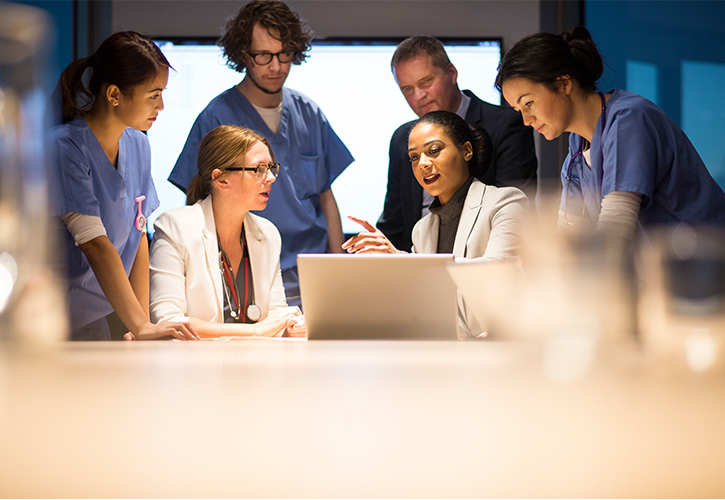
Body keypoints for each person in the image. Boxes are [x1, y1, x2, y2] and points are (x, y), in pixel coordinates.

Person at [167, 0, 353, 306]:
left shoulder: (309, 113)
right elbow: (197, 201)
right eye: (264, 55)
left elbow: (325, 197)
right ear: (243, 54)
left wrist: (338, 270)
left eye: (284, 54)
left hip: (313, 276)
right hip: (250, 275)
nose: (277, 66)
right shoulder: (217, 117)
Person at [496, 27, 725, 244]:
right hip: (665, 271)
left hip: (705, 263)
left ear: (563, 84)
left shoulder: (629, 119)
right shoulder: (577, 147)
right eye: (519, 111)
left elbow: (615, 225)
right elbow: (568, 228)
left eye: (529, 103)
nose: (526, 120)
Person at [49, 31, 198, 341]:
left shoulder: (138, 145)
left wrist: (140, 325)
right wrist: (143, 326)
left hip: (96, 320)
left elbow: (138, 235)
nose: (162, 106)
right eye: (154, 95)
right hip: (51, 322)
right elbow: (94, 244)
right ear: (114, 95)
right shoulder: (65, 148)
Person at [344, 111, 528, 337]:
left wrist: (403, 261)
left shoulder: (505, 202)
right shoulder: (422, 229)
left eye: (433, 151)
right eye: (414, 157)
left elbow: (496, 270)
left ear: (466, 151)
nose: (422, 164)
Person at [376, 36, 537, 252]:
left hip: (484, 254)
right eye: (407, 88)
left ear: (452, 73)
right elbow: (394, 223)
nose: (418, 96)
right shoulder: (401, 138)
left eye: (426, 82)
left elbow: (512, 212)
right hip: (416, 260)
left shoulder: (505, 125)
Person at [149, 125, 305, 338]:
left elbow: (275, 316)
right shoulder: (174, 227)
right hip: (194, 366)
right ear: (221, 179)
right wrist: (254, 331)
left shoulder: (268, 234)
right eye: (258, 169)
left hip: (257, 365)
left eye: (271, 167)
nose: (271, 177)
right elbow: (169, 321)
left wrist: (291, 326)